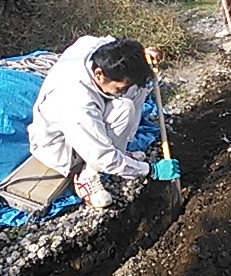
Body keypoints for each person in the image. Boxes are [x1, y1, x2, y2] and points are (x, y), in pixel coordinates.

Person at [27, 35, 181, 209]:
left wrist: (139, 57)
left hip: (90, 116)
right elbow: (101, 156)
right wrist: (150, 170)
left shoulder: (97, 50)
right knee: (125, 109)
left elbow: (118, 48)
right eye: (119, 88)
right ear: (99, 74)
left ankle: (120, 154)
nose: (122, 92)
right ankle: (88, 176)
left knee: (137, 87)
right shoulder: (76, 102)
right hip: (61, 146)